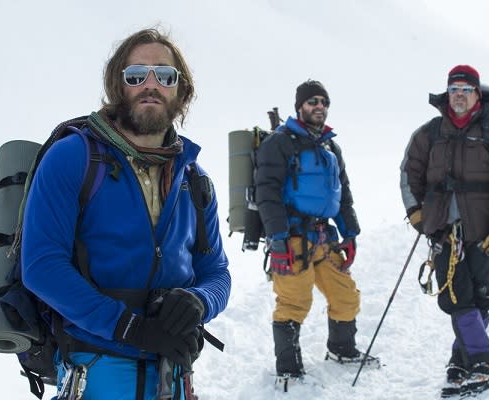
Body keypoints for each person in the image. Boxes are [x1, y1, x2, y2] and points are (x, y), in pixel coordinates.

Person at [21, 28, 231, 400]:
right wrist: (130, 328)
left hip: (174, 375)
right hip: (95, 373)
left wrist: (201, 302)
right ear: (119, 86)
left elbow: (215, 272)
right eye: (136, 75)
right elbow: (41, 266)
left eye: (165, 76)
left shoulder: (195, 180)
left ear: (182, 91)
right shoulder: (73, 158)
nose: (151, 84)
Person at [400, 65, 489, 395]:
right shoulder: (429, 133)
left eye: (465, 89)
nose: (459, 94)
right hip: (444, 231)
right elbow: (408, 173)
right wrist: (416, 213)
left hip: (485, 231)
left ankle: (462, 360)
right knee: (456, 295)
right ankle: (482, 363)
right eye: (454, 88)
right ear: (447, 93)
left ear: (477, 94)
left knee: (478, 295)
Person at [255, 80, 371, 389]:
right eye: (312, 101)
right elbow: (266, 193)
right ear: (299, 107)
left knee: (346, 296)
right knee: (293, 302)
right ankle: (289, 369)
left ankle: (342, 350)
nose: (319, 106)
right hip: (293, 238)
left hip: (325, 237)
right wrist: (277, 239)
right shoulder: (279, 143)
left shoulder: (330, 145)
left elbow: (343, 193)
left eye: (324, 101)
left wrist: (350, 233)